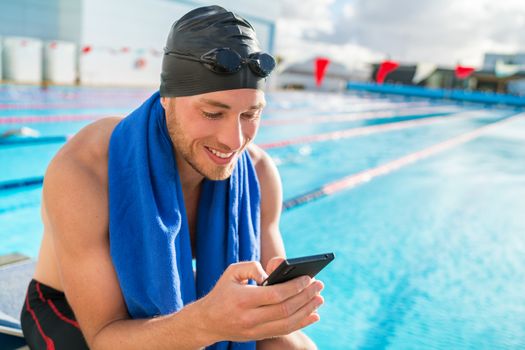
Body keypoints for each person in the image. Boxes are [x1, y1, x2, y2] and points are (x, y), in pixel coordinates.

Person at [20, 5, 325, 350]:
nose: (234, 141)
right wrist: (205, 323)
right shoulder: (87, 168)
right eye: (213, 113)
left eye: (250, 114)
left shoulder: (257, 173)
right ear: (167, 98)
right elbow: (104, 337)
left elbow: (265, 313)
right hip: (72, 312)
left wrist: (280, 309)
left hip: (188, 301)